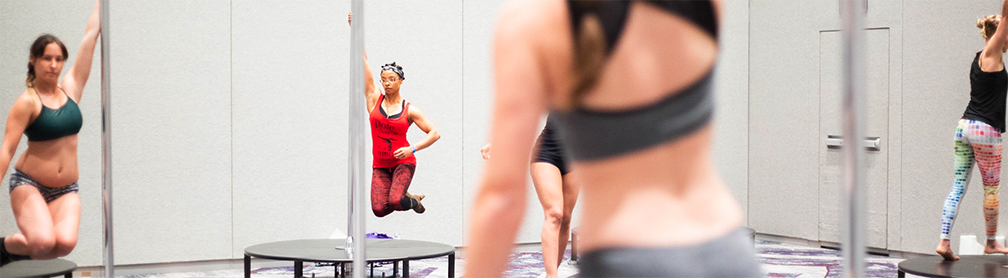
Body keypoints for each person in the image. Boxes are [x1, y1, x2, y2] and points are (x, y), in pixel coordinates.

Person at [465, 0, 762, 277]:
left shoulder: (531, 24)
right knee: (556, 213)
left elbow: (501, 202)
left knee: (563, 215)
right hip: (724, 249)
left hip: (626, 257)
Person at [0, 1, 101, 265]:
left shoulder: (71, 89)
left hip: (67, 188)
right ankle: (3, 247)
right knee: (43, 243)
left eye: (58, 59)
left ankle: (13, 250)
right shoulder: (28, 102)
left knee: (64, 244)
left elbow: (90, 36)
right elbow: (7, 150)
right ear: (33, 60)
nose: (53, 65)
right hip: (29, 183)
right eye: (47, 58)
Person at [349, 13, 441, 217]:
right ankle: (407, 196)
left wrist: (412, 149)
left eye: (392, 79)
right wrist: (355, 30)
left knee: (396, 201)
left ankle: (411, 199)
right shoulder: (374, 99)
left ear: (400, 81)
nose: (387, 83)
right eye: (384, 80)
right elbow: (362, 60)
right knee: (379, 209)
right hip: (380, 164)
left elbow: (434, 132)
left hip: (403, 162)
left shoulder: (410, 110)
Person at [936, 0, 1008, 261]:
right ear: (999, 35)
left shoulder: (979, 57)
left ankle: (944, 242)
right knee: (991, 189)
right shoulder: (992, 53)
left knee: (957, 186)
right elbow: (1006, 14)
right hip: (985, 131)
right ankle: (990, 243)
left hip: (964, 127)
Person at [480, 119, 579, 278]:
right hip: (547, 152)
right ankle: (551, 275)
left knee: (566, 218)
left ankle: (554, 269)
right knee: (555, 214)